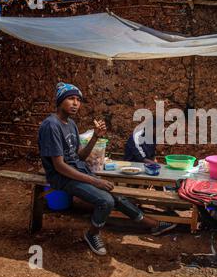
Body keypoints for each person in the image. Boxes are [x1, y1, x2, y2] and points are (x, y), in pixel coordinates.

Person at [38, 82, 176, 256]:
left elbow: (79, 157)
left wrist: (95, 137)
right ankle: (92, 234)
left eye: (78, 100)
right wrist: (95, 181)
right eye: (70, 99)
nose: (75, 103)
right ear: (59, 101)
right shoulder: (51, 125)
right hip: (61, 176)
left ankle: (153, 225)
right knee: (106, 200)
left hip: (77, 170)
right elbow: (59, 166)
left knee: (116, 193)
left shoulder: (71, 124)